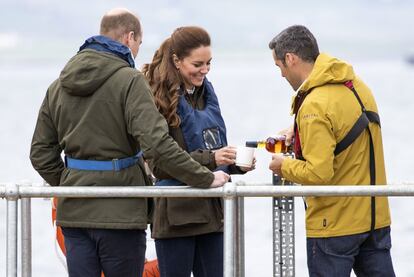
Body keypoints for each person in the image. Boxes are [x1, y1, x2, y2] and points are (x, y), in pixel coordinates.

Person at [30, 9, 229, 277]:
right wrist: (205, 177)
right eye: (138, 44)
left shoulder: (58, 86)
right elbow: (158, 144)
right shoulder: (130, 80)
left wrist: (71, 181)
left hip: (75, 210)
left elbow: (40, 153)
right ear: (129, 37)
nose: (136, 51)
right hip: (123, 212)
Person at [268, 25, 394, 276]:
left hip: (334, 226)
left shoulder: (314, 103)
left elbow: (319, 173)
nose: (281, 75)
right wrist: (300, 133)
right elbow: (346, 135)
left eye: (279, 66)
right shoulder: (356, 86)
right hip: (375, 219)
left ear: (290, 59)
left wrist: (282, 166)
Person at [142, 26, 254, 277]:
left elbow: (212, 152)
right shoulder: (155, 98)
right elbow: (159, 164)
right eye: (198, 64)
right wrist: (212, 158)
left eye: (209, 63)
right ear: (177, 61)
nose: (205, 70)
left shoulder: (205, 95)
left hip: (212, 216)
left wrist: (234, 164)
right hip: (176, 218)